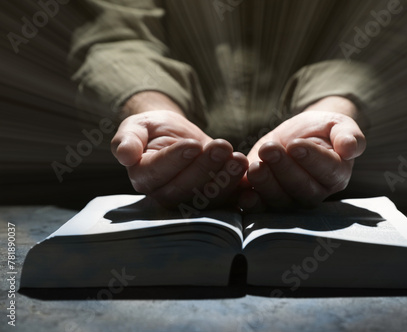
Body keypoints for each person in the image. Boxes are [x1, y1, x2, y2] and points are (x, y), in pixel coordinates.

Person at [69, 0, 379, 212]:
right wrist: (149, 106)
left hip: (353, 188)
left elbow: (377, 28)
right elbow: (116, 35)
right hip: (138, 186)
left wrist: (335, 106)